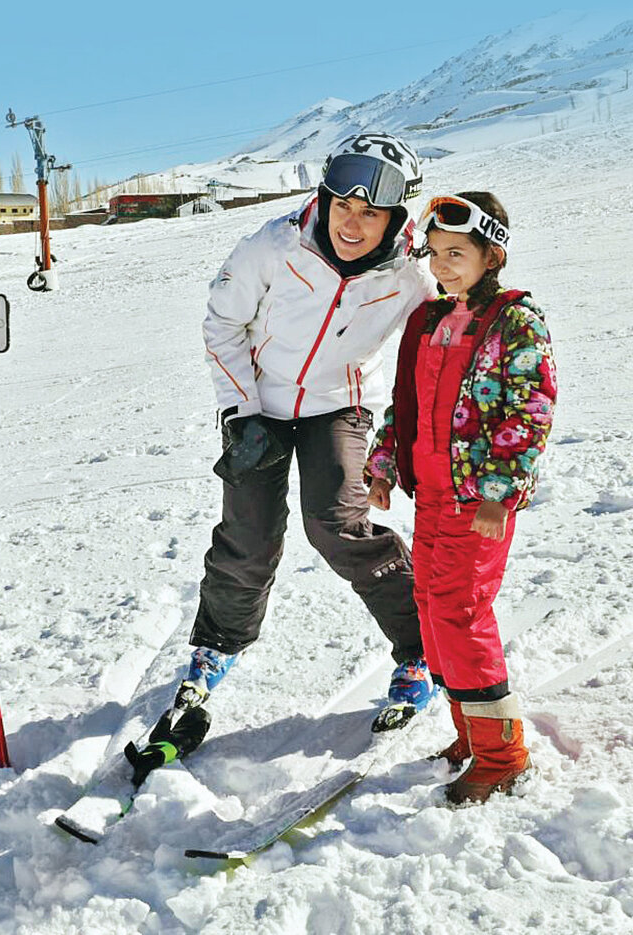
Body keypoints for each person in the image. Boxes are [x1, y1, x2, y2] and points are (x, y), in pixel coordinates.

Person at [178, 133, 439, 723]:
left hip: (340, 405)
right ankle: (219, 644)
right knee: (248, 532)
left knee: (337, 523)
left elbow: (439, 342)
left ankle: (422, 647)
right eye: (343, 205)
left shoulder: (410, 278)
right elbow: (222, 326)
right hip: (259, 404)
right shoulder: (273, 246)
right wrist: (241, 412)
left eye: (370, 213)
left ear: (395, 218)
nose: (352, 222)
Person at [366, 192, 555, 804]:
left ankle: (503, 754)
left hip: (478, 502)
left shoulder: (514, 322)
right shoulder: (429, 321)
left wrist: (502, 491)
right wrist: (385, 463)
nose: (443, 265)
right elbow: (407, 403)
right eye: (435, 253)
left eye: (457, 253)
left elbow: (530, 409)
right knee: (428, 605)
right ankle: (470, 732)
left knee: (460, 611)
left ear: (490, 254)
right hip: (430, 496)